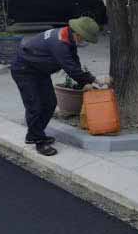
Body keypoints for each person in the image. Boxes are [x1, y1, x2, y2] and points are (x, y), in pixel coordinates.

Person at [10, 16, 102, 156]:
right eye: (85, 39)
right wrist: (89, 81)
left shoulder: (67, 36)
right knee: (35, 106)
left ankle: (37, 133)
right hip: (24, 70)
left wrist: (90, 81)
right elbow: (70, 68)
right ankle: (37, 139)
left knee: (50, 103)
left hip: (39, 71)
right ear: (78, 34)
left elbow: (74, 61)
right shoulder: (59, 43)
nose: (85, 43)